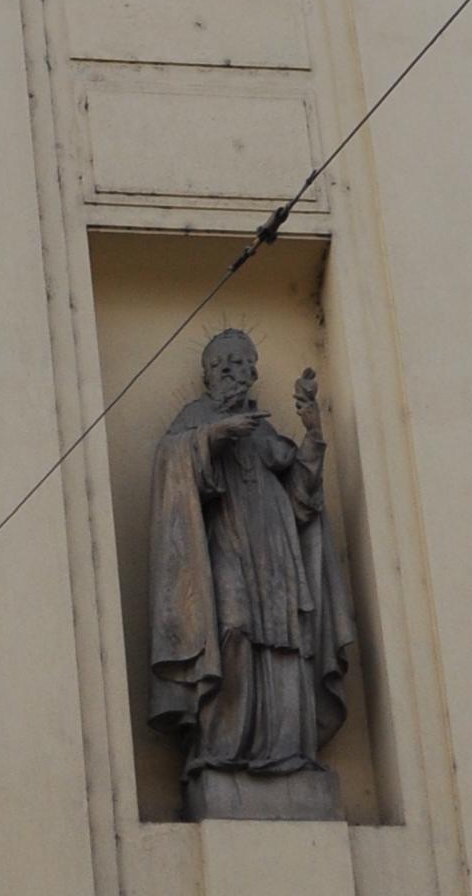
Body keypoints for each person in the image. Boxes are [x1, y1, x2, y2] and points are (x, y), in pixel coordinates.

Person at [146, 329, 353, 819]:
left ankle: (287, 749)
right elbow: (171, 467)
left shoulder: (264, 430)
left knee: (287, 642)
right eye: (220, 363)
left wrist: (313, 432)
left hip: (275, 550)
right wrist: (213, 437)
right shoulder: (195, 418)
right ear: (206, 374)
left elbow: (303, 493)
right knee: (232, 630)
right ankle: (222, 748)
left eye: (240, 362)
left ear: (254, 371)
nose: (230, 371)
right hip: (226, 544)